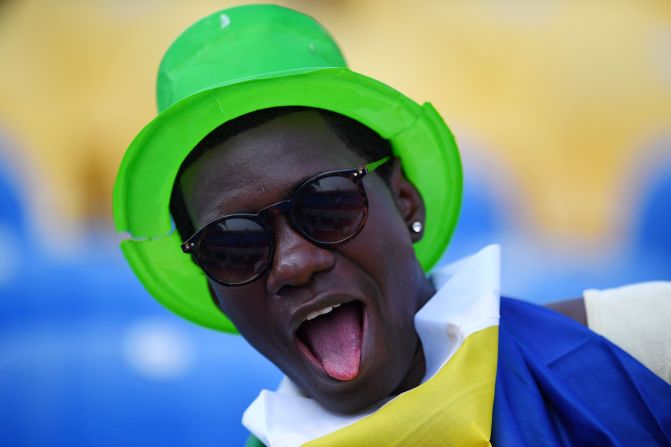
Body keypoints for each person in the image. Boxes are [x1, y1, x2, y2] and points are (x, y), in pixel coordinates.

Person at [113, 5, 671, 446]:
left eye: (326, 204)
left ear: (404, 200)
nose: (293, 263)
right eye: (233, 245)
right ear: (214, 289)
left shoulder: (639, 349)